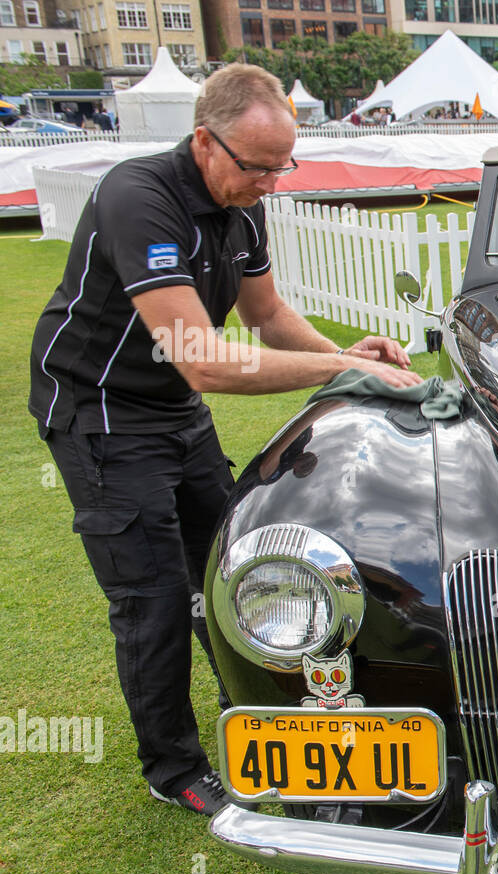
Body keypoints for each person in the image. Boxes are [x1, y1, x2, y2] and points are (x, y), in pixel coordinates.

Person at [28, 64, 422, 818]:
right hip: (102, 415)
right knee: (153, 597)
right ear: (206, 142)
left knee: (235, 567)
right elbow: (202, 358)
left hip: (174, 410)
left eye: (284, 165)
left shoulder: (243, 205)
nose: (272, 182)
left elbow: (268, 317)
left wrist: (349, 358)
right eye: (259, 166)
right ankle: (172, 764)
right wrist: (336, 365)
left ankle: (264, 709)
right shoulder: (137, 197)